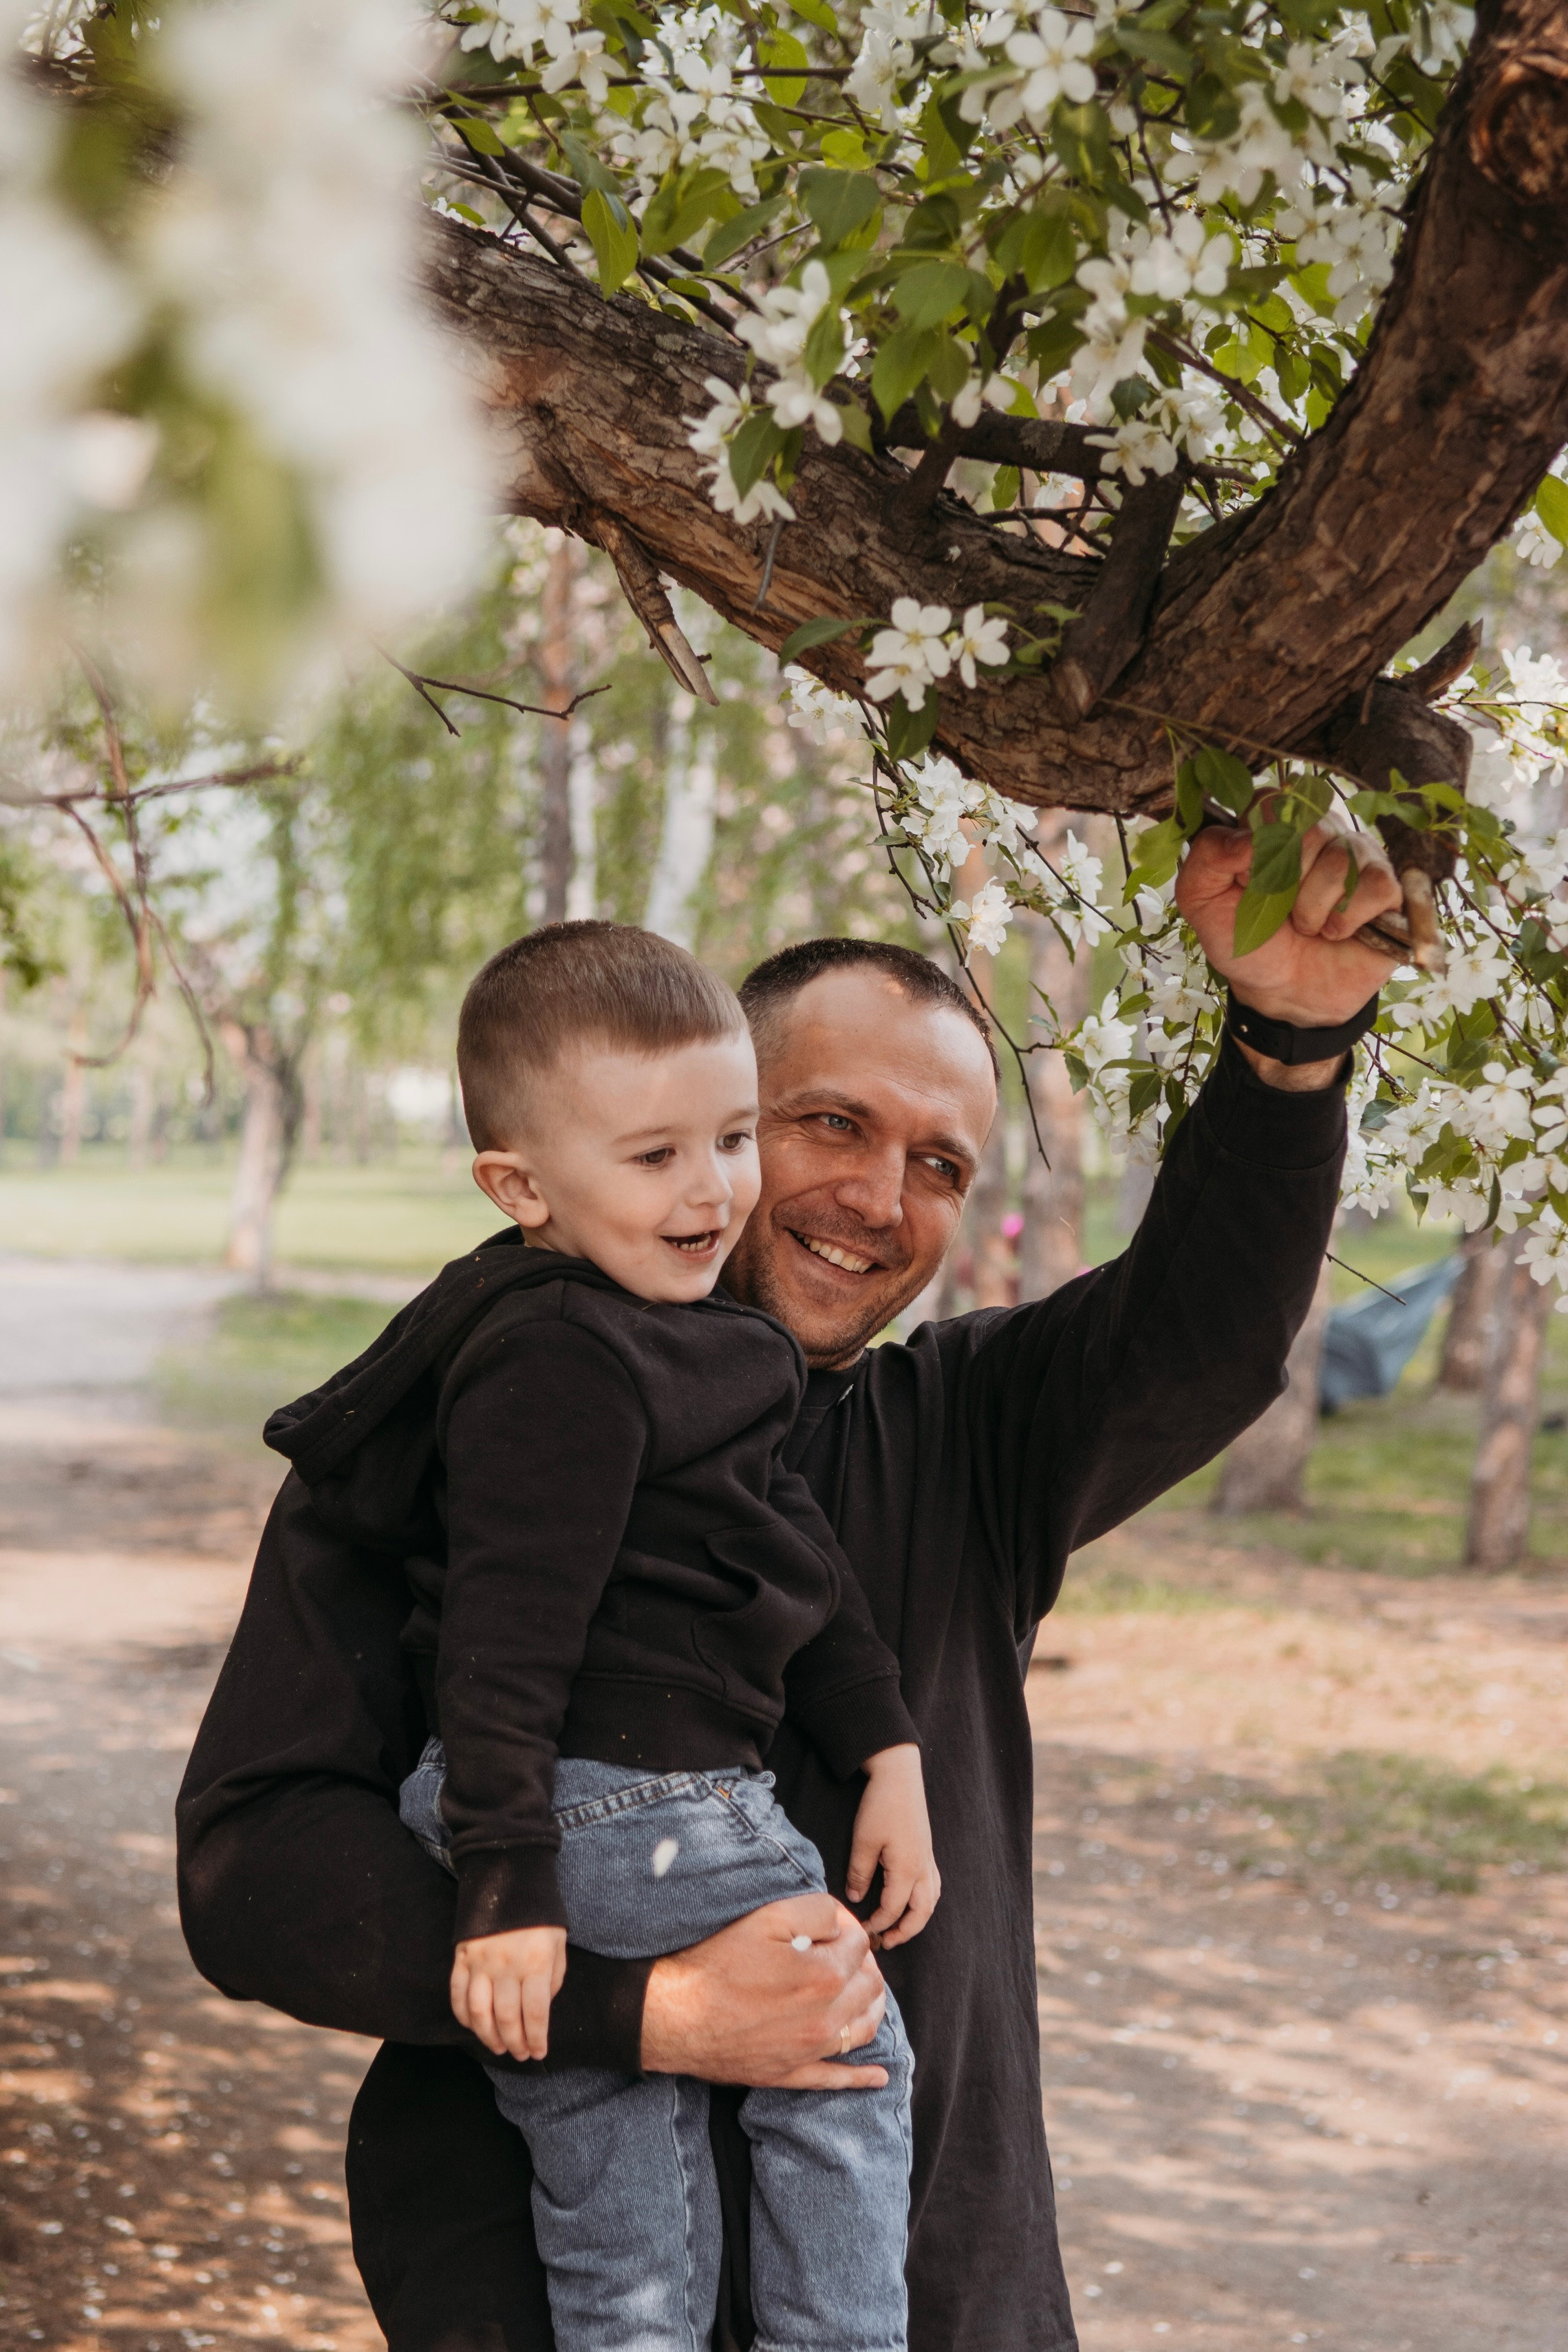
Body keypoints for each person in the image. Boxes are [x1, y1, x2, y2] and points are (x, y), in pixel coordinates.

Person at [178, 821, 1402, 2352]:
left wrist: (1289, 1040)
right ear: (709, 1119)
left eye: (941, 1163)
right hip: (541, 2295)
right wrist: (642, 2013)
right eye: (826, 1122)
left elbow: (1207, 1329)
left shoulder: (971, 1433)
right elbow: (254, 1871)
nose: (881, 1197)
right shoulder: (454, 1424)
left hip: (933, 2289)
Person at [262, 922, 935, 2352]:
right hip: (629, 1808)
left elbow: (787, 1557)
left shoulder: (605, 1336)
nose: (714, 1189)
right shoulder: (568, 1362)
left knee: (615, 2168)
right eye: (655, 1157)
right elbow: (507, 1635)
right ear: (520, 1185)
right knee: (845, 2046)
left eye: (733, 1135)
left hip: (536, 1820)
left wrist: (885, 1743)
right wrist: (515, 1888)